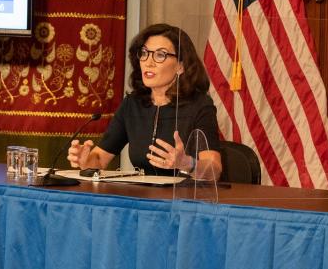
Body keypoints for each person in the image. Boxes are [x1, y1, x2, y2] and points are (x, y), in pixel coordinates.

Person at [68, 23, 222, 180]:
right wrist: (85, 161)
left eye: (160, 55)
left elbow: (214, 170)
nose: (149, 62)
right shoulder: (133, 104)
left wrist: (186, 163)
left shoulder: (200, 105)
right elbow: (100, 160)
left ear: (180, 66)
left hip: (184, 199)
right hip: (142, 198)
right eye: (144, 53)